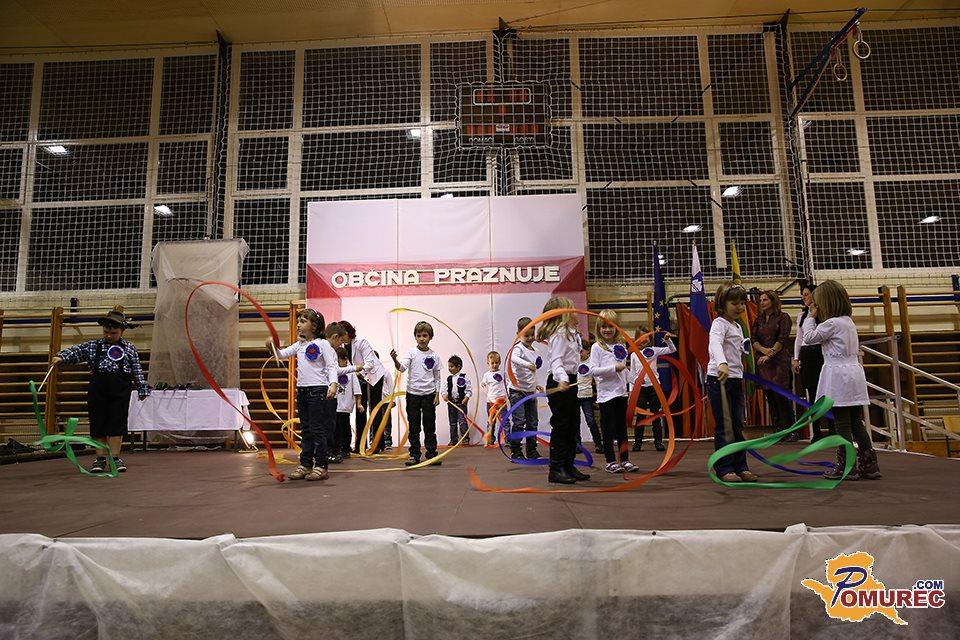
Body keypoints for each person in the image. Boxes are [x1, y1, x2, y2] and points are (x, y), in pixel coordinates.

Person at [52, 305, 148, 473]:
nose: (109, 336)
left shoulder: (129, 348)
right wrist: (61, 357)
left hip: (121, 388)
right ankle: (100, 458)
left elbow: (137, 369)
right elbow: (76, 352)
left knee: (117, 423)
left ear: (122, 331)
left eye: (113, 333)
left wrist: (141, 388)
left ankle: (115, 458)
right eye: (106, 332)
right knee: (98, 422)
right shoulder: (93, 346)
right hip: (98, 388)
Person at [804, 280, 881, 480]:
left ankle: (847, 466)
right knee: (856, 421)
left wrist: (811, 317)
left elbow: (809, 338)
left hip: (838, 375)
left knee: (842, 423)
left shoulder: (831, 323)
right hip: (853, 373)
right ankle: (870, 464)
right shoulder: (848, 321)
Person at [268, 311, 345, 481]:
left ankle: (321, 466)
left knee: (318, 429)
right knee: (306, 429)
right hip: (302, 391)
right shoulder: (299, 345)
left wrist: (333, 383)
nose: (298, 324)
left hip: (317, 390)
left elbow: (331, 366)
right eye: (298, 321)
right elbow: (281, 354)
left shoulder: (323, 344)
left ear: (314, 326)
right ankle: (305, 464)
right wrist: (270, 346)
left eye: (303, 321)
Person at [707, 283, 759, 483]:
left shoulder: (737, 326)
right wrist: (721, 362)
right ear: (722, 304)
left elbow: (737, 350)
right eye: (734, 303)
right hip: (719, 379)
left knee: (737, 424)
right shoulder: (719, 323)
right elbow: (715, 343)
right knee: (725, 425)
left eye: (742, 303)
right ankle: (724, 467)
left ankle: (741, 466)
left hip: (736, 379)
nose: (739, 307)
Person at [537, 296, 590, 484]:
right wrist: (564, 379)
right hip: (559, 382)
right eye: (571, 308)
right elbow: (556, 361)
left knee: (573, 425)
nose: (575, 311)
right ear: (562, 314)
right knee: (561, 426)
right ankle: (556, 468)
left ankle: (568, 465)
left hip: (570, 381)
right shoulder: (560, 334)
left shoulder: (571, 333)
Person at [590, 309, 638, 473]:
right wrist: (613, 368)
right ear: (598, 328)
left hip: (620, 393)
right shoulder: (596, 347)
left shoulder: (620, 345)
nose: (607, 330)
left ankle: (625, 459)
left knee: (621, 428)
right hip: (606, 395)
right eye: (603, 327)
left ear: (616, 327)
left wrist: (633, 382)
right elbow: (593, 370)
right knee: (608, 429)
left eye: (610, 326)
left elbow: (623, 369)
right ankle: (610, 461)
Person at [390, 321, 442, 466]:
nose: (422, 339)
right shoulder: (411, 353)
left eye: (425, 335)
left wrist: (437, 394)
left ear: (430, 337)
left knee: (429, 426)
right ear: (415, 337)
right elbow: (402, 368)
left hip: (429, 395)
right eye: (419, 336)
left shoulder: (434, 355)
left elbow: (437, 377)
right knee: (414, 426)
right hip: (413, 395)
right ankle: (414, 454)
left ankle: (431, 454)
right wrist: (394, 359)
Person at [752, 290, 797, 442]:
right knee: (770, 396)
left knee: (781, 396)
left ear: (773, 301)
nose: (762, 302)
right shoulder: (758, 320)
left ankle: (791, 430)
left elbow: (783, 338)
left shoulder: (783, 317)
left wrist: (770, 353)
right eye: (760, 300)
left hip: (779, 361)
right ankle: (779, 429)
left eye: (765, 300)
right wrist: (763, 351)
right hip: (763, 362)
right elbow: (753, 338)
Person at [339, 320, 390, 453]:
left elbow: (370, 363)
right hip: (360, 377)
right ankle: (359, 446)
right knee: (360, 410)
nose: (340, 338)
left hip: (374, 376)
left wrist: (357, 371)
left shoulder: (361, 342)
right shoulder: (344, 346)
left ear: (348, 333)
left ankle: (378, 444)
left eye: (341, 334)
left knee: (374, 409)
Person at [792, 283, 832, 441]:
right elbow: (799, 338)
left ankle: (833, 429)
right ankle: (816, 431)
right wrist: (796, 358)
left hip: (820, 353)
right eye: (802, 294)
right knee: (812, 393)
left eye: (807, 294)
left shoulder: (824, 314)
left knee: (827, 392)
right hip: (807, 354)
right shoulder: (802, 316)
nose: (804, 297)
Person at [629, 325, 676, 452]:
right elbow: (631, 374)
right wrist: (632, 389)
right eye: (641, 337)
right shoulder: (633, 354)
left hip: (655, 388)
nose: (644, 340)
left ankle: (658, 442)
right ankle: (637, 442)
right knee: (640, 416)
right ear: (637, 338)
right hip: (640, 389)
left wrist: (667, 340)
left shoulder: (654, 350)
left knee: (656, 415)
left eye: (646, 337)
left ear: (650, 338)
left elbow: (672, 349)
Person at [507, 317, 545, 459]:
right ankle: (516, 451)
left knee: (533, 422)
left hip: (531, 392)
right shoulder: (518, 348)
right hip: (517, 391)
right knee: (519, 422)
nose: (529, 338)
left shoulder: (535, 350)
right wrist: (527, 364)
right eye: (526, 335)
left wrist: (536, 384)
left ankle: (532, 450)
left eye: (531, 335)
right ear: (518, 334)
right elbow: (513, 359)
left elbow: (533, 372)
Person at [334, 347, 363, 461]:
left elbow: (357, 390)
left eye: (339, 360)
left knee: (345, 427)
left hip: (345, 406)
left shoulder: (351, 372)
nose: (338, 363)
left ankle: (345, 449)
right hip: (334, 406)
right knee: (335, 429)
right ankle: (335, 449)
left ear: (345, 359)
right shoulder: (333, 371)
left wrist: (359, 404)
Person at [576, 336, 604, 454]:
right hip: (574, 395)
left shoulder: (591, 362)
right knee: (575, 422)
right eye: (578, 350)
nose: (579, 353)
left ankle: (598, 444)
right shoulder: (574, 361)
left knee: (590, 421)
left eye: (581, 350)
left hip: (586, 395)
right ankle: (577, 445)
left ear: (588, 350)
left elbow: (597, 378)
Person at [479, 351, 508, 447]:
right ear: (488, 363)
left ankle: (508, 439)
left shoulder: (503, 373)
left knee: (505, 421)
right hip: (490, 402)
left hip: (501, 401)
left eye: (496, 362)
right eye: (492, 363)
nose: (494, 365)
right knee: (491, 421)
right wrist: (482, 383)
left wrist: (508, 396)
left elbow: (508, 384)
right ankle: (490, 439)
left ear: (500, 362)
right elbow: (483, 382)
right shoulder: (486, 375)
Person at [442, 355, 471, 446]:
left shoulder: (464, 378)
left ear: (458, 367)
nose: (449, 368)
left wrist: (466, 398)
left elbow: (469, 390)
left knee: (462, 421)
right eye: (449, 366)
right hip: (451, 404)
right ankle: (453, 439)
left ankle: (465, 438)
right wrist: (444, 395)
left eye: (451, 366)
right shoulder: (448, 379)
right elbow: (444, 389)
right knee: (452, 422)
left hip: (461, 404)